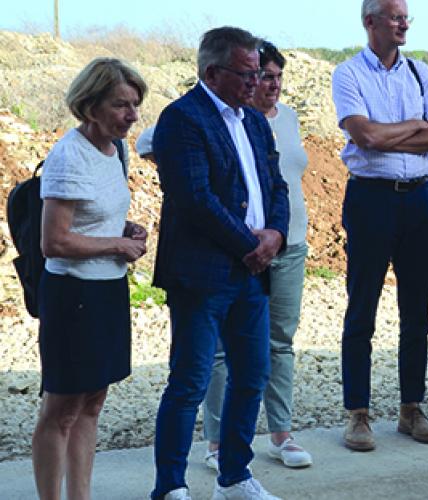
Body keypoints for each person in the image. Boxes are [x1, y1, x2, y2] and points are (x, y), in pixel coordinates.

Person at [150, 26, 289, 500]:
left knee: (252, 376)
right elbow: (194, 198)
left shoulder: (254, 121)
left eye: (258, 72)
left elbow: (277, 187)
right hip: (204, 273)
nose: (256, 81)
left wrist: (277, 234)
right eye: (246, 72)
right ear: (212, 71)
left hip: (252, 274)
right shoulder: (182, 119)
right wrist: (247, 245)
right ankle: (171, 486)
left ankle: (234, 476)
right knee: (189, 381)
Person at [331, 0, 428, 451]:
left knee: (416, 310)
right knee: (362, 308)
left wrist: (393, 131)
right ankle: (357, 414)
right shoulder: (348, 74)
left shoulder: (420, 73)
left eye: (406, 17)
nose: (403, 24)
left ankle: (411, 408)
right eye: (395, 17)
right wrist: (413, 125)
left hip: (420, 198)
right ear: (370, 22)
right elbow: (365, 137)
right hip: (371, 198)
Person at [32, 57, 148, 500]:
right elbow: (54, 242)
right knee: (61, 408)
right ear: (90, 105)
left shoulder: (114, 150)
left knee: (92, 404)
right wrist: (117, 246)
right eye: (121, 104)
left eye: (135, 104)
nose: (132, 115)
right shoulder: (69, 154)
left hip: (108, 291)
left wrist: (124, 228)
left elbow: (96, 217)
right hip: (73, 294)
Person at [202, 41, 313, 471]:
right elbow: (152, 140)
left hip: (289, 243)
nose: (273, 85)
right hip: (240, 248)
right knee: (222, 350)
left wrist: (282, 233)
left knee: (280, 341)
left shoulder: (288, 119)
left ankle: (280, 433)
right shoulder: (227, 118)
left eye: (278, 77)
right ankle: (216, 441)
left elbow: (287, 180)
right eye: (265, 76)